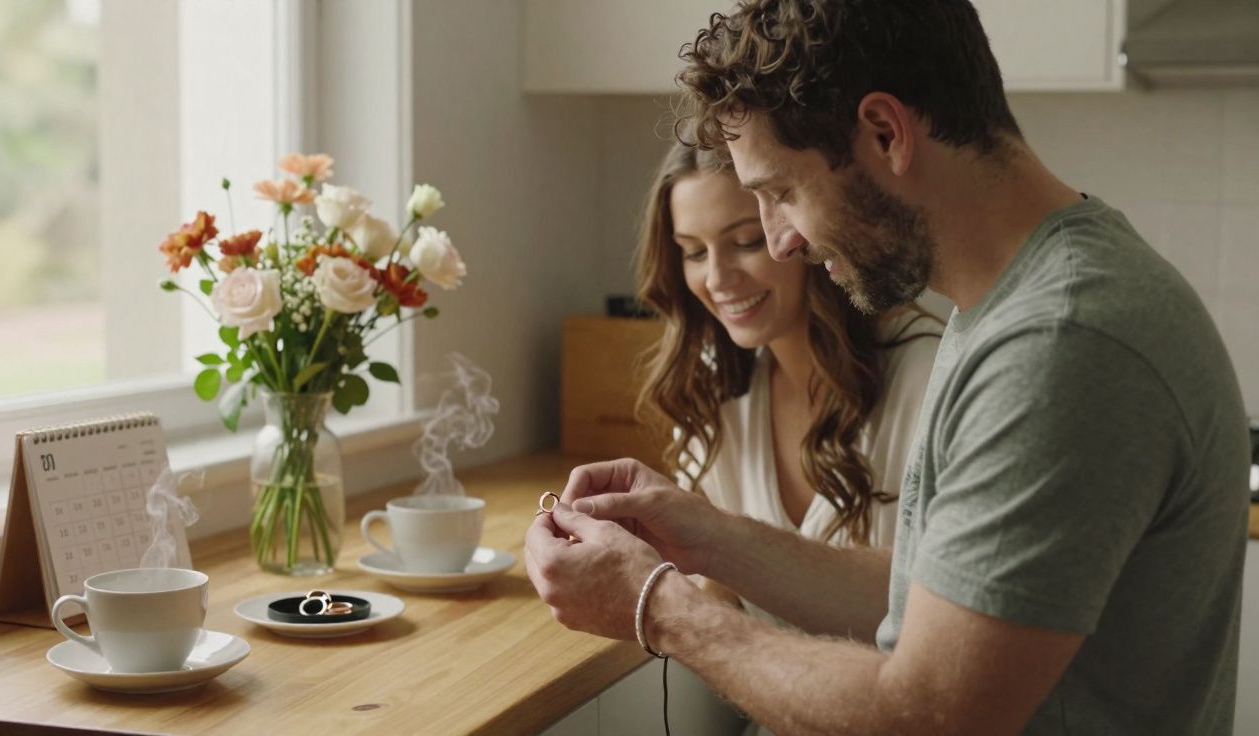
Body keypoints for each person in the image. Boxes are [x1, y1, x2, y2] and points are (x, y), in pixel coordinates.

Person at [525, 1, 1251, 734]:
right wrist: (706, 536)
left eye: (780, 193)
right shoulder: (1008, 303)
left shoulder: (1061, 343)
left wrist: (659, 606)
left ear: (884, 132)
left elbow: (927, 716)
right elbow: (931, 603)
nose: (781, 242)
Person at [634, 141, 940, 634]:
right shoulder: (718, 392)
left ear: (801, 235)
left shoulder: (926, 381)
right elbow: (719, 593)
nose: (716, 278)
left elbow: (942, 613)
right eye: (692, 252)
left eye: (747, 241)